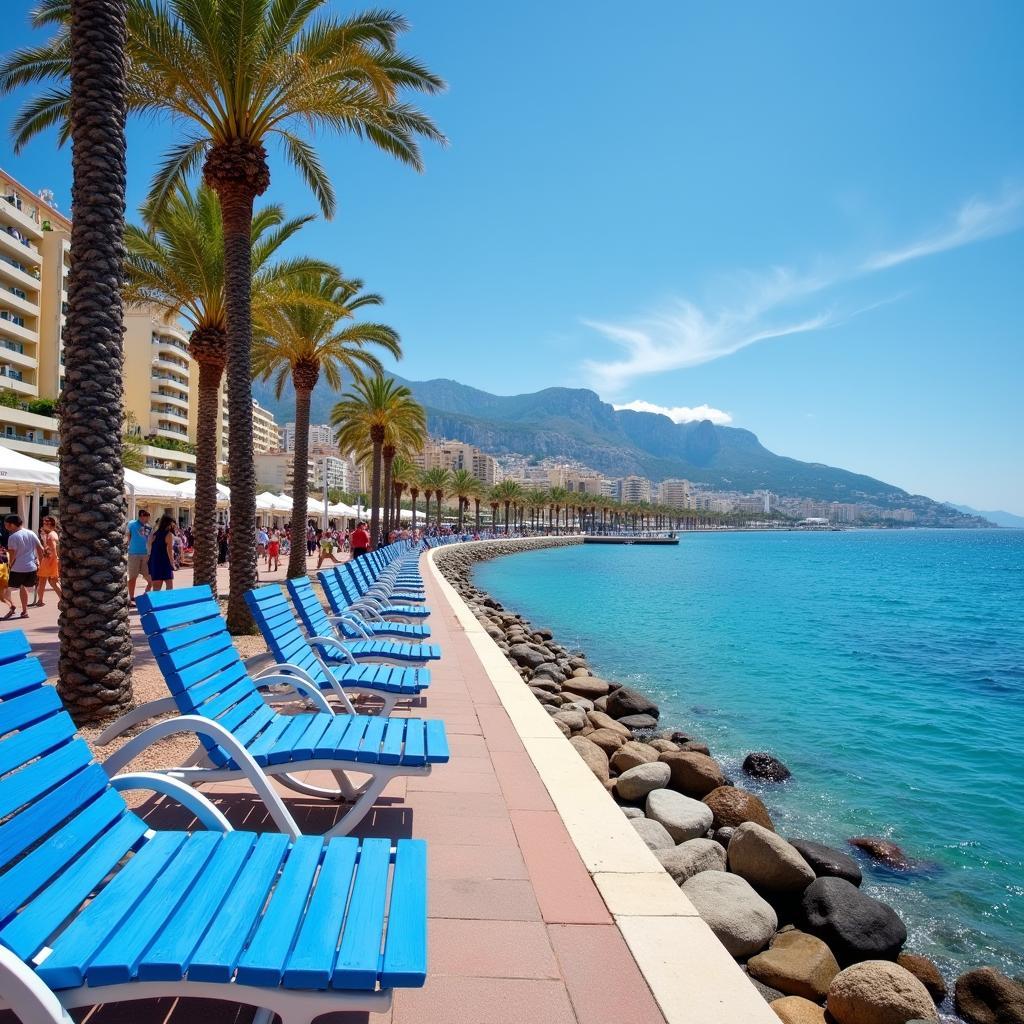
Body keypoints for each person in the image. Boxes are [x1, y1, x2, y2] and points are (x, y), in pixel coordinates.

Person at [3, 514, 43, 619]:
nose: (5, 527)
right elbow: (40, 549)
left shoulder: (12, 537)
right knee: (23, 587)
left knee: (5, 589)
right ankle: (24, 611)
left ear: (12, 525)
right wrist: (40, 562)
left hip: (17, 568)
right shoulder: (31, 533)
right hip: (31, 567)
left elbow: (12, 555)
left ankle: (11, 607)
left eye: (6, 524)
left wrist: (9, 566)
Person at [33, 515, 62, 606]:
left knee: (48, 581)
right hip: (52, 561)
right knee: (51, 582)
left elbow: (52, 550)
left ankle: (41, 601)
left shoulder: (50, 535)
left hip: (49, 561)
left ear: (49, 524)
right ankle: (40, 600)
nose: (43, 524)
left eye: (45, 523)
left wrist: (48, 560)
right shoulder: (53, 534)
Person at [126, 508, 152, 605]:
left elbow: (149, 541)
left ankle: (144, 597)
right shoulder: (132, 524)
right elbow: (128, 537)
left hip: (145, 555)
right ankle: (132, 598)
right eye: (146, 518)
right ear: (141, 516)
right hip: (134, 554)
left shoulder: (148, 527)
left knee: (150, 578)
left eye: (148, 518)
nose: (147, 520)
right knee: (133, 577)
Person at [147, 515, 177, 591]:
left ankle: (157, 603)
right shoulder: (168, 534)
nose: (174, 525)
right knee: (169, 587)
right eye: (174, 523)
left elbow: (149, 548)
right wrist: (173, 564)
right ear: (170, 523)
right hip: (164, 562)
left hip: (154, 561)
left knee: (156, 589)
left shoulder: (155, 534)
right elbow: (169, 551)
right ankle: (168, 602)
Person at [0, 546, 16, 619]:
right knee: (6, 595)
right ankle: (12, 605)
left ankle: (11, 608)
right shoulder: (5, 551)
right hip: (6, 575)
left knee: (2, 598)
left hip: (1, 575)